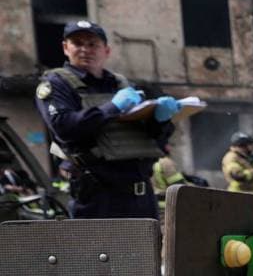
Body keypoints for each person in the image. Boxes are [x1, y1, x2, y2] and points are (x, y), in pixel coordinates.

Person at [34, 20, 179, 219]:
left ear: (107, 50)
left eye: (93, 44)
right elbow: (64, 127)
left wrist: (161, 119)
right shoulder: (57, 84)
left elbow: (154, 141)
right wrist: (112, 108)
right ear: (65, 48)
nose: (85, 49)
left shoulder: (122, 85)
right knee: (100, 251)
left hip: (141, 195)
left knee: (148, 250)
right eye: (78, 43)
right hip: (98, 196)